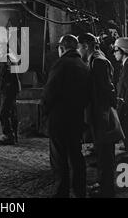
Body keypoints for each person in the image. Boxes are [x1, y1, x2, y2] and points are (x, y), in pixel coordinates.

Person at [42, 34, 90, 198]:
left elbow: (49, 93)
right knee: (76, 156)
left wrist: (45, 113)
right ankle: (79, 191)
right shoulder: (83, 65)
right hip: (76, 119)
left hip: (59, 120)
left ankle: (61, 193)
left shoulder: (61, 64)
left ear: (62, 48)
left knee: (60, 160)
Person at [78, 33, 117, 198]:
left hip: (101, 115)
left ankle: (106, 189)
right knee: (102, 153)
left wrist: (102, 113)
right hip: (101, 113)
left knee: (105, 154)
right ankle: (104, 184)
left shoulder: (98, 61)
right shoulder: (96, 59)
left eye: (79, 47)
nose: (79, 50)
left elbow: (106, 90)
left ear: (86, 45)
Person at [113, 37, 128, 151]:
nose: (114, 53)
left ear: (123, 50)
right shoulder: (125, 65)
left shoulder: (127, 66)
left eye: (116, 50)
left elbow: (125, 87)